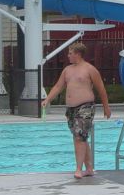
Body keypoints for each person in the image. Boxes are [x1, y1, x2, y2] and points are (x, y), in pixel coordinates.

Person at [41, 42, 111, 179]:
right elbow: (58, 86)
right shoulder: (67, 70)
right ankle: (89, 168)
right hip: (71, 109)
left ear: (78, 54)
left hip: (85, 107)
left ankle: (78, 169)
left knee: (79, 137)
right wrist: (47, 99)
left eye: (70, 53)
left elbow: (101, 89)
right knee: (80, 137)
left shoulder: (90, 69)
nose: (68, 56)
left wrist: (106, 107)